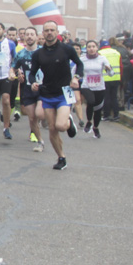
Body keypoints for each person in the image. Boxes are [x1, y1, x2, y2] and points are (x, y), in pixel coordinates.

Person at [29, 20, 83, 170]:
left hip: (64, 93)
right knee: (52, 128)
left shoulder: (67, 49)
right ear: (43, 33)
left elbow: (80, 64)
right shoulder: (38, 54)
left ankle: (69, 122)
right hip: (47, 93)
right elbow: (32, 73)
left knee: (60, 126)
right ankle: (61, 157)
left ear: (57, 32)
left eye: (52, 30)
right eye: (46, 30)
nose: (49, 33)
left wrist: (76, 77)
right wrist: (33, 82)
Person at [11, 26, 44, 152]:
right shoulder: (21, 54)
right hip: (27, 88)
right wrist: (12, 74)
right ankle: (40, 141)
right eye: (27, 34)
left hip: (43, 88)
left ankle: (46, 119)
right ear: (24, 38)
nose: (29, 36)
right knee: (31, 118)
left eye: (32, 34)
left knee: (39, 113)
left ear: (36, 37)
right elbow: (13, 67)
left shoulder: (43, 51)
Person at [80, 40, 114, 139]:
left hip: (99, 86)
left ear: (97, 48)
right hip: (86, 85)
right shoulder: (82, 59)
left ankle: (95, 127)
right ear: (86, 49)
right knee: (90, 101)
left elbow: (111, 74)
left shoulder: (102, 59)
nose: (91, 49)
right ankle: (89, 121)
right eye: (89, 47)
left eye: (93, 46)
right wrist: (74, 78)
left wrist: (108, 70)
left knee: (98, 109)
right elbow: (74, 71)